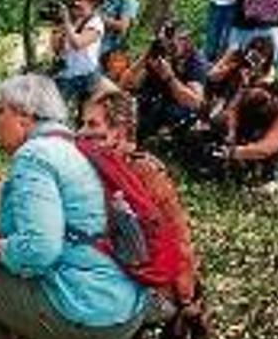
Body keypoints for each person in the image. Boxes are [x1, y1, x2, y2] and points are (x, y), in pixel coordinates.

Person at [0, 74, 176, 339]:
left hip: (89, 311)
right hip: (124, 307)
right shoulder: (76, 146)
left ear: (23, 116)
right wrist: (4, 242)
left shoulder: (34, 156)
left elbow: (41, 251)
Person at [80, 90, 197, 307]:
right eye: (83, 124)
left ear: (119, 131)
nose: (81, 132)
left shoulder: (144, 171)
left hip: (149, 290)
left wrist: (185, 299)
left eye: (92, 125)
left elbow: (177, 234)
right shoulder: (95, 165)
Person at [126, 20, 209, 143]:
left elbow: (196, 102)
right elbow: (127, 83)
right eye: (164, 42)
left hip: (174, 108)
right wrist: (144, 58)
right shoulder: (158, 51)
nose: (168, 48)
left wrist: (169, 78)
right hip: (150, 99)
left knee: (162, 111)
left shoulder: (195, 62)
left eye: (172, 44)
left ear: (186, 41)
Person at [50, 0, 106, 103]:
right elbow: (56, 49)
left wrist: (66, 21)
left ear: (92, 4)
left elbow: (78, 43)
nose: (77, 3)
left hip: (86, 76)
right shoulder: (73, 21)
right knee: (56, 109)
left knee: (84, 113)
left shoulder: (96, 22)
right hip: (66, 74)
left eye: (81, 0)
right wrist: (57, 29)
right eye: (76, 0)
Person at [96, 0, 140, 68]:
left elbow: (123, 26)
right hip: (95, 45)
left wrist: (99, 18)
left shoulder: (127, 0)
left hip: (108, 51)